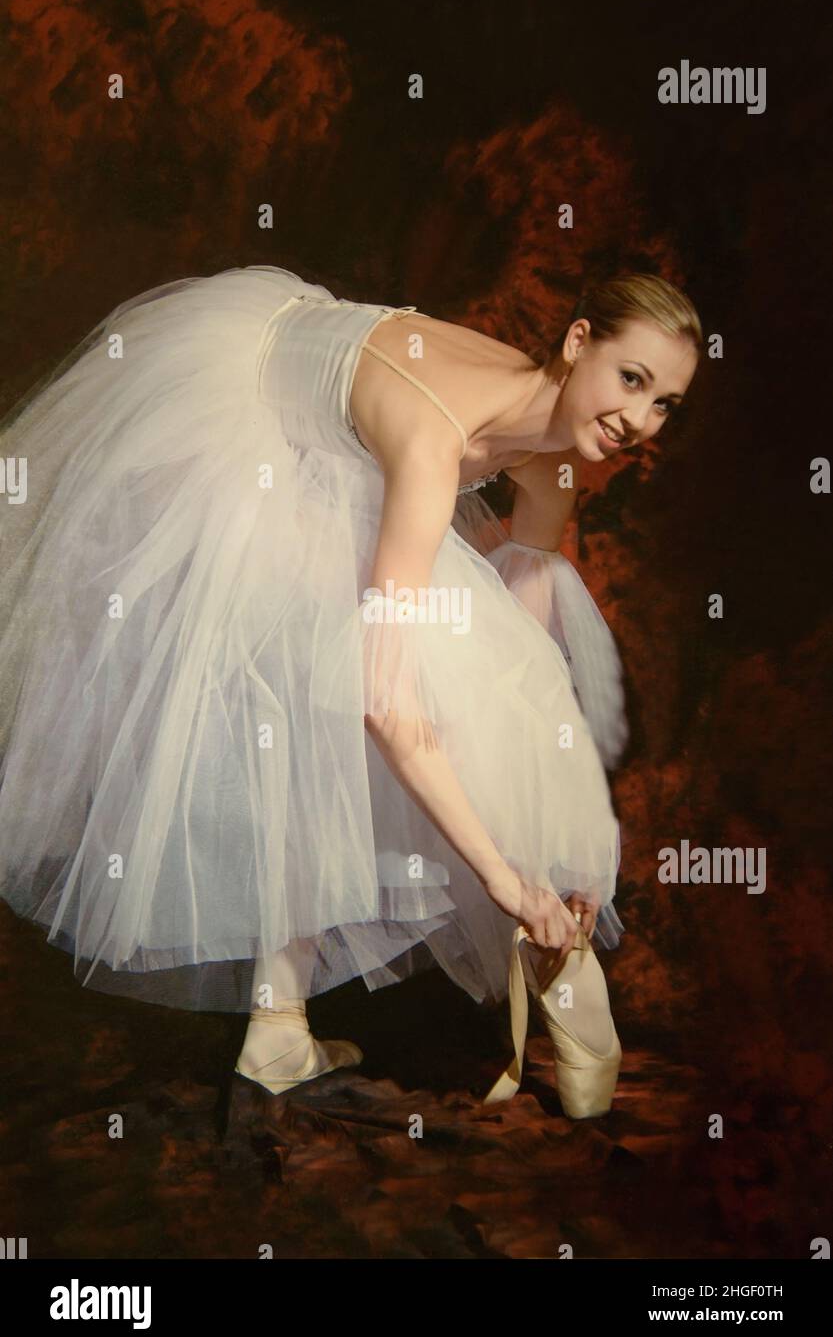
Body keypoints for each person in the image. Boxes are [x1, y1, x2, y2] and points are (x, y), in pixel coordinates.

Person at [0, 264, 701, 1116]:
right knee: (317, 703)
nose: (639, 419)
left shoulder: (552, 464)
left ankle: (278, 1029)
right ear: (577, 341)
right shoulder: (431, 438)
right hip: (250, 418)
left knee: (435, 675)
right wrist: (504, 882)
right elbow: (386, 704)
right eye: (630, 380)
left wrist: (546, 834)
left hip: (351, 450)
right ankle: (279, 1022)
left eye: (663, 402)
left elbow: (518, 668)